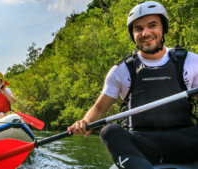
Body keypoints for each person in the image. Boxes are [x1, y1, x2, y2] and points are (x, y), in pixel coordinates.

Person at [67, 1, 198, 169]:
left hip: (184, 142)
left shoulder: (191, 61)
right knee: (109, 131)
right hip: (140, 145)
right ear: (133, 34)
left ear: (163, 27)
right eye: (138, 29)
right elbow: (99, 109)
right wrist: (84, 121)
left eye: (152, 25)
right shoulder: (121, 70)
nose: (146, 33)